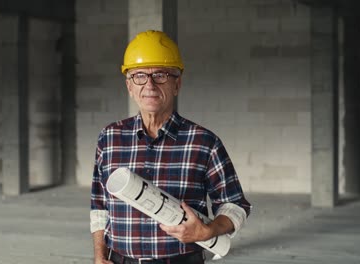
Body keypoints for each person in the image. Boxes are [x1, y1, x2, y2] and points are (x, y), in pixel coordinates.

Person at [90, 30, 251, 264]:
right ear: (129, 86)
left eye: (161, 75)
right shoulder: (110, 138)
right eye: (139, 76)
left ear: (177, 84)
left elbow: (235, 204)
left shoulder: (204, 142)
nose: (150, 85)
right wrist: (99, 255)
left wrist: (209, 231)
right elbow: (99, 206)